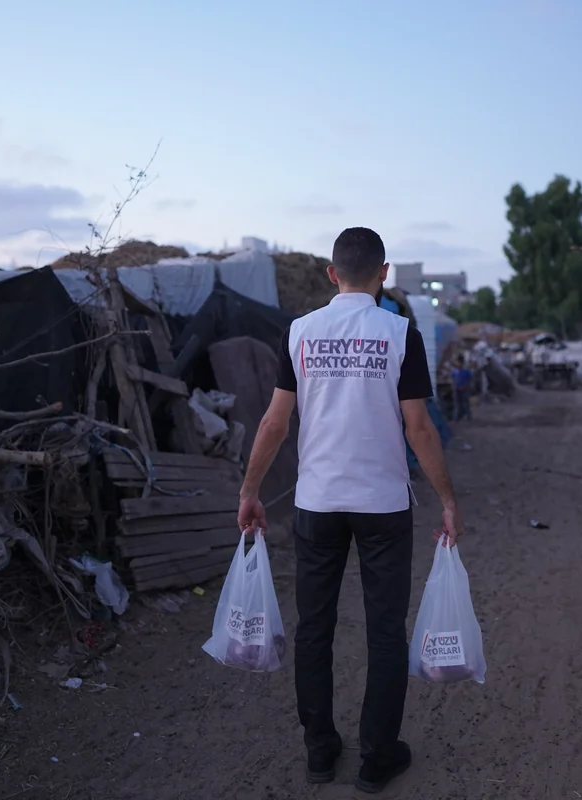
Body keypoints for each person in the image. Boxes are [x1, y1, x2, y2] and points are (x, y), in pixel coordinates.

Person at [237, 227, 463, 794]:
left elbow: (274, 423)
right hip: (384, 506)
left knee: (315, 628)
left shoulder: (301, 332)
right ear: (383, 273)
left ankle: (319, 751)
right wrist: (448, 500)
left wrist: (249, 491)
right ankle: (376, 757)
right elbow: (418, 428)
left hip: (317, 503)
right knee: (385, 631)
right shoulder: (400, 333)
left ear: (332, 275)